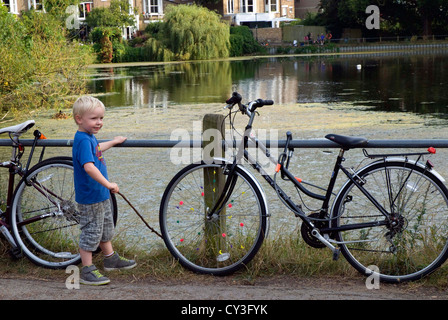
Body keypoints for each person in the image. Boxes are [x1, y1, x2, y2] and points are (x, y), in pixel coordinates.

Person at [72, 96, 136, 285]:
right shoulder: (83, 140)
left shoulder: (89, 137)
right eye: (94, 118)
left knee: (105, 228)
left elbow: (97, 149)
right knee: (91, 231)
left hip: (100, 195)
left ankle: (110, 258)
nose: (99, 122)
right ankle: (87, 269)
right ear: (79, 119)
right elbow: (89, 166)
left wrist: (114, 141)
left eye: (101, 118)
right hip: (91, 196)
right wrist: (108, 184)